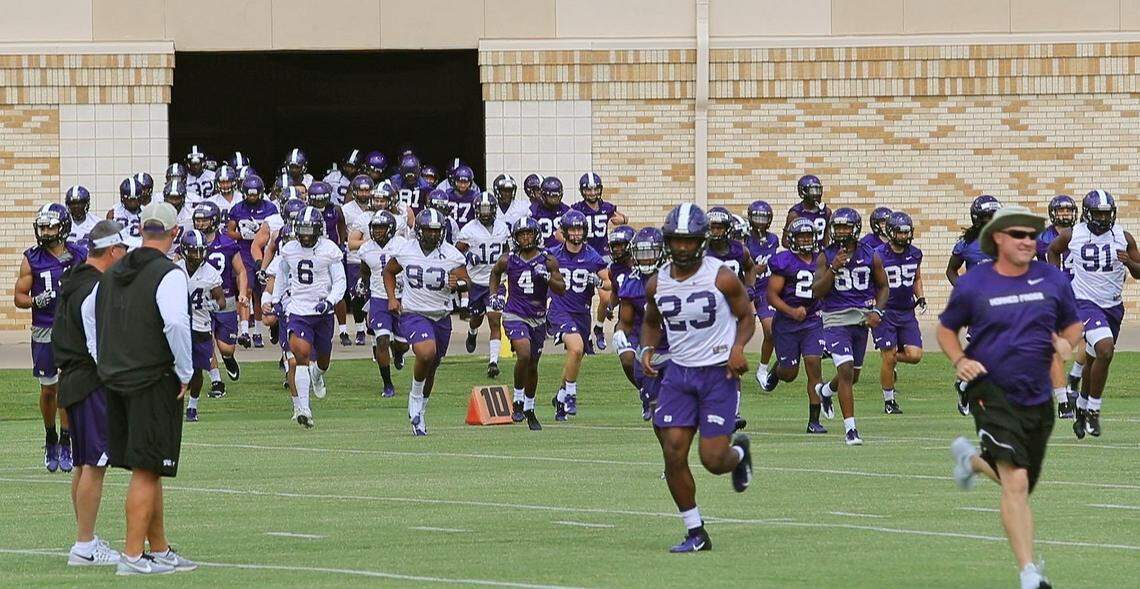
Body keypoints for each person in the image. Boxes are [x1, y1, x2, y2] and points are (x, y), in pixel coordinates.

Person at [940, 206, 1081, 589]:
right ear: (998, 238)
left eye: (1032, 235)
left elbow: (1072, 323)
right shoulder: (975, 283)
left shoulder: (1052, 279)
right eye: (1018, 234)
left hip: (1036, 397)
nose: (1027, 241)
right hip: (991, 389)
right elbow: (946, 329)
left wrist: (1067, 342)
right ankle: (1030, 574)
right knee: (1016, 483)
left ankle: (971, 460)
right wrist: (959, 360)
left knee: (1016, 482)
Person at [640, 203, 754, 553]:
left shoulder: (721, 276)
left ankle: (738, 453)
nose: (683, 248)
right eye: (677, 241)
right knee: (673, 454)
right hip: (679, 373)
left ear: (702, 241)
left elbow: (746, 316)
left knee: (713, 460)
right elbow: (650, 320)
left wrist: (738, 347)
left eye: (690, 241)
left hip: (718, 372)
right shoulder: (657, 282)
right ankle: (696, 531)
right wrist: (646, 349)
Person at [94, 202, 197, 575]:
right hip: (152, 378)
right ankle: (133, 556)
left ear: (140, 230)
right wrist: (186, 370)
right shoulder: (169, 273)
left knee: (148, 466)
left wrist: (103, 360)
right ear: (173, 234)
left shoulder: (113, 269)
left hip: (115, 377)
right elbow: (175, 324)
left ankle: (161, 548)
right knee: (147, 469)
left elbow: (92, 315)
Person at [53, 220, 127, 566]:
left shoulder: (74, 278)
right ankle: (84, 545)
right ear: (113, 250)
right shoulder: (96, 287)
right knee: (95, 464)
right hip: (91, 379)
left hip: (71, 378)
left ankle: (85, 537)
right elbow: (97, 340)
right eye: (122, 251)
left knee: (84, 464)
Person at [1048, 190, 1140, 438]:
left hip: (1113, 306)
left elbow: (1139, 272)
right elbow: (1053, 250)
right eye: (1097, 213)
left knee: (1093, 359)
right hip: (1083, 302)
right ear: (1087, 214)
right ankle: (1093, 411)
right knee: (1105, 349)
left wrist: (1130, 263)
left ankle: (1081, 406)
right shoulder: (1073, 234)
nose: (1102, 217)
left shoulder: (1123, 236)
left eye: (1106, 213)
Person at [383, 208, 471, 436]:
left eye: (436, 231)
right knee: (425, 352)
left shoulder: (451, 254)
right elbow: (388, 272)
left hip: (441, 315)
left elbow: (466, 282)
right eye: (428, 231)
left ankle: (421, 412)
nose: (433, 235)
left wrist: (457, 284)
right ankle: (413, 398)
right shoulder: (406, 250)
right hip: (414, 313)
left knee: (432, 366)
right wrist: (392, 298)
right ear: (420, 231)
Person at [15, 203, 88, 472]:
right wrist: (35, 299)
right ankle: (50, 437)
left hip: (72, 329)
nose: (45, 231)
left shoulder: (80, 254)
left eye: (51, 226)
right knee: (49, 389)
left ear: (64, 227)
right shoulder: (31, 258)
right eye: (42, 225)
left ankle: (67, 441)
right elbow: (18, 297)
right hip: (44, 328)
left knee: (68, 387)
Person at [811, 207, 888, 446]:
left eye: (846, 227)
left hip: (861, 319)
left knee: (852, 376)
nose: (841, 231)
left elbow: (883, 286)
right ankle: (851, 430)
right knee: (844, 371)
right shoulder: (826, 255)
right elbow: (817, 291)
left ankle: (825, 392)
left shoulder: (871, 254)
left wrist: (877, 310)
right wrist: (834, 268)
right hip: (834, 318)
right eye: (838, 227)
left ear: (855, 229)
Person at [488, 217, 565, 431]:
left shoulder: (548, 260)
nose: (525, 237)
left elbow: (561, 288)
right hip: (515, 313)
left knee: (532, 364)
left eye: (529, 233)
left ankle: (530, 409)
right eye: (521, 234)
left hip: (538, 317)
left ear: (536, 234)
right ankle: (518, 399)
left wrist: (548, 278)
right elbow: (494, 273)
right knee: (523, 352)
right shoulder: (508, 259)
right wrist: (493, 296)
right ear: (515, 237)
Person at [761, 218, 826, 433]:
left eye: (809, 235)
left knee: (814, 365)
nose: (806, 240)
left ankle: (814, 421)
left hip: (812, 321)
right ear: (793, 239)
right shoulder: (784, 261)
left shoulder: (821, 259)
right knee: (789, 374)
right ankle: (777, 370)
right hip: (787, 323)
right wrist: (791, 311)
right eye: (802, 236)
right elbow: (771, 296)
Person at [548, 210, 609, 420]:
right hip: (559, 310)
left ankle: (560, 397)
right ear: (564, 231)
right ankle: (571, 395)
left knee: (575, 357)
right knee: (576, 348)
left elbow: (611, 282)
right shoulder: (553, 255)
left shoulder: (592, 256)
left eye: (579, 229)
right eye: (572, 229)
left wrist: (599, 282)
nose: (576, 233)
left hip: (582, 313)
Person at [947, 194, 1003, 414]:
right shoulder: (966, 244)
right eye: (989, 216)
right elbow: (951, 269)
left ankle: (965, 385)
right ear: (978, 219)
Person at [872, 212, 926, 414]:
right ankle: (889, 401)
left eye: (906, 232)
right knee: (888, 356)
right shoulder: (877, 254)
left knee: (915, 355)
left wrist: (920, 296)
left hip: (906, 311)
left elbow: (916, 278)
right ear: (890, 232)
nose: (904, 236)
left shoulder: (915, 253)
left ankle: (892, 359)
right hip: (885, 311)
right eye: (900, 232)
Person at [614, 227, 667, 420]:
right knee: (654, 404)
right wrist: (620, 332)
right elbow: (625, 321)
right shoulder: (633, 282)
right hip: (644, 339)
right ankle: (646, 396)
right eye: (642, 254)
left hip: (673, 340)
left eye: (650, 253)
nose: (645, 259)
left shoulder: (673, 278)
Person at [455, 192, 510, 377]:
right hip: (476, 282)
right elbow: (455, 254)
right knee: (476, 318)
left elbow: (509, 252)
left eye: (488, 209)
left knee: (495, 319)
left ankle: (493, 362)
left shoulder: (503, 228)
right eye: (482, 209)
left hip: (496, 281)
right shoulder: (469, 230)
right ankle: (472, 331)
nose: (485, 213)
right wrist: (468, 255)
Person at [175, 230, 226, 422]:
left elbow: (220, 299)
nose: (197, 256)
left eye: (200, 251)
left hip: (201, 325)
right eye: (193, 252)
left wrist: (215, 305)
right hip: (179, 324)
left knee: (196, 370)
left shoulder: (210, 272)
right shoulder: (175, 269)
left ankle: (192, 406)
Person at [1037, 195, 1080, 419]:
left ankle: (1073, 380)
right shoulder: (1042, 238)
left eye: (1068, 210)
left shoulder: (1082, 233)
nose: (1065, 214)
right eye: (1061, 211)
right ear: (1053, 213)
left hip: (1082, 297)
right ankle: (1063, 400)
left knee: (1090, 345)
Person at [358, 210, 408, 397]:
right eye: (375, 227)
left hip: (403, 297)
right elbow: (364, 269)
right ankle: (387, 384)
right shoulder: (366, 248)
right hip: (378, 298)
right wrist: (362, 282)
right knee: (381, 340)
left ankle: (399, 352)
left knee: (403, 344)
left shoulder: (402, 245)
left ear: (391, 228)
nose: (378, 231)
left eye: (381, 227)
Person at [227, 174, 278, 349]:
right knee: (246, 290)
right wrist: (243, 235)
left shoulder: (270, 208)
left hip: (265, 254)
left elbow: (275, 231)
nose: (253, 197)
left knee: (260, 293)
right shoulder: (237, 209)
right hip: (244, 253)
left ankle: (257, 332)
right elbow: (230, 232)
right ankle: (244, 331)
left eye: (255, 194)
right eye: (250, 194)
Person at [743, 200, 780, 390]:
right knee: (738, 332)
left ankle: (762, 369)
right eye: (756, 217)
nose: (759, 222)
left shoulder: (773, 239)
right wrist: (751, 269)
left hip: (765, 289)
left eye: (763, 218)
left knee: (771, 331)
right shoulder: (745, 239)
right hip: (746, 288)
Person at [783, 174, 831, 250]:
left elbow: (826, 238)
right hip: (801, 256)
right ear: (802, 191)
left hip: (819, 255)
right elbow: (785, 241)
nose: (816, 193)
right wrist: (802, 248)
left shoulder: (826, 212)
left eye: (817, 190)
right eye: (812, 190)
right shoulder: (795, 214)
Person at [531, 176, 570, 249]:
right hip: (542, 252)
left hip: (563, 253)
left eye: (556, 196)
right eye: (551, 196)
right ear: (543, 195)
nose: (554, 200)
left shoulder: (566, 211)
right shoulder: (533, 211)